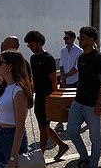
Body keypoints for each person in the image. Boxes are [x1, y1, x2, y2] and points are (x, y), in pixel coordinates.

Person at [66, 26, 101, 168]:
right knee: (71, 131)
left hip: (93, 105)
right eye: (80, 37)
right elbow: (81, 80)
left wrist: (99, 103)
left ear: (92, 39)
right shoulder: (81, 58)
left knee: (95, 138)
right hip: (79, 102)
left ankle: (93, 165)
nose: (80, 40)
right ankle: (84, 157)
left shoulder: (98, 59)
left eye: (83, 38)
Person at [24, 30, 69, 159]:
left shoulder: (48, 59)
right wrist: (31, 93)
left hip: (48, 97)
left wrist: (53, 100)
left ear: (39, 43)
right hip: (38, 96)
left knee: (43, 127)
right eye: (28, 45)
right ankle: (62, 145)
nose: (30, 48)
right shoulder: (33, 58)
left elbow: (54, 81)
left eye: (31, 45)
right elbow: (33, 78)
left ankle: (40, 155)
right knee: (42, 125)